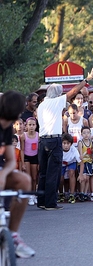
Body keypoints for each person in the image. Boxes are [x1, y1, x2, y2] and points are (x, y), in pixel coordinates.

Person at [37, 68, 93, 210]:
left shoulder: (41, 105)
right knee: (53, 172)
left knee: (43, 173)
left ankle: (42, 201)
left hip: (42, 140)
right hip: (53, 140)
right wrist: (86, 80)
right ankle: (50, 203)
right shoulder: (56, 101)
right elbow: (73, 92)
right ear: (57, 94)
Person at [0, 90, 35, 258]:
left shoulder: (6, 127)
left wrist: (4, 173)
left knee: (24, 181)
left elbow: (11, 160)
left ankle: (13, 235)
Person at [60, 133, 83, 204]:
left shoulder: (74, 150)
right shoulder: (58, 149)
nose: (66, 145)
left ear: (71, 144)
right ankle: (61, 194)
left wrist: (81, 174)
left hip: (71, 162)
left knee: (71, 173)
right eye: (64, 143)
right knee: (60, 177)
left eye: (68, 143)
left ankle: (72, 194)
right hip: (62, 163)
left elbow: (81, 162)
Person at [22, 117, 39, 206]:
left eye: (33, 125)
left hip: (35, 157)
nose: (31, 127)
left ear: (36, 126)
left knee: (34, 177)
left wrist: (39, 162)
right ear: (26, 126)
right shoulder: (23, 136)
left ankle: (33, 194)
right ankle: (29, 195)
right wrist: (22, 162)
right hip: (26, 157)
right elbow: (21, 149)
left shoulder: (38, 135)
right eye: (30, 125)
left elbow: (39, 149)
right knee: (28, 177)